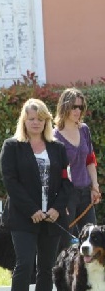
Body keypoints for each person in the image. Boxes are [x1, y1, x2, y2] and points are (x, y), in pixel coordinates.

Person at [0, 98, 72, 291]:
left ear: (46, 121)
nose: (36, 122)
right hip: (23, 217)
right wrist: (32, 210)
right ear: (24, 120)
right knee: (24, 263)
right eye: (31, 118)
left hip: (51, 218)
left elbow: (66, 183)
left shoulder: (58, 148)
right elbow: (11, 182)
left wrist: (56, 209)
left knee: (47, 266)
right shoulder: (12, 146)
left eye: (40, 118)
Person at [53, 88, 101, 249]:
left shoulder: (84, 129)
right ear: (64, 106)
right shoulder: (54, 136)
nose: (77, 111)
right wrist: (61, 200)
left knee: (93, 241)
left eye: (80, 107)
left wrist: (95, 186)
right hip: (67, 196)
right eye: (74, 107)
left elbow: (90, 159)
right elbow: (55, 172)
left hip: (86, 192)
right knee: (64, 244)